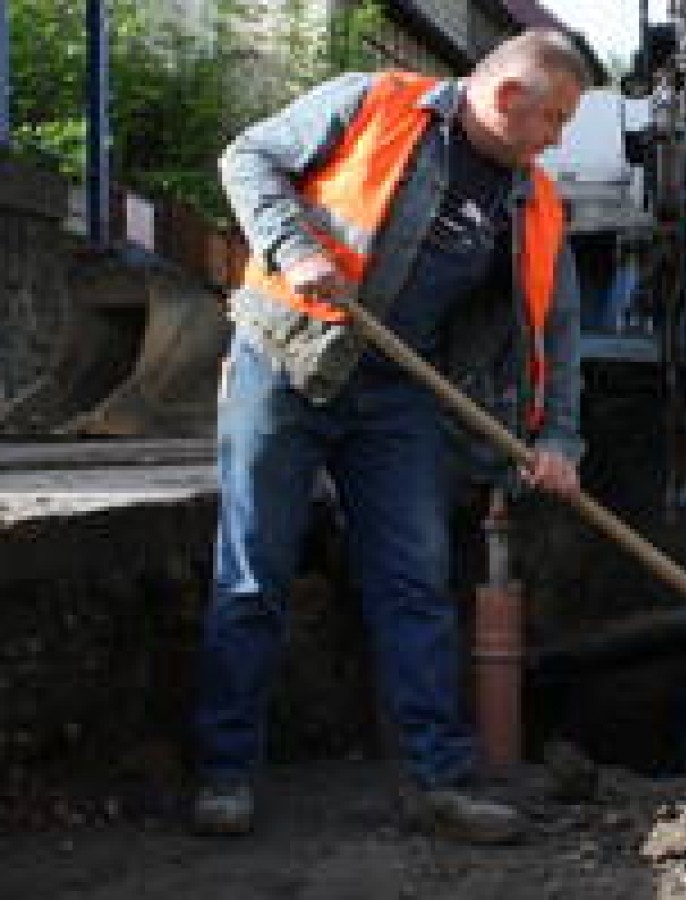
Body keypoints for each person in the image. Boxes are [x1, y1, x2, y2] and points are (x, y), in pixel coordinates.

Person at [192, 29, 592, 844]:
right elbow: (246, 156)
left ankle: (436, 782)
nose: (556, 140)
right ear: (507, 97)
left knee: (415, 585)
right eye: (553, 119)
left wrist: (559, 438)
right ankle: (225, 774)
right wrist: (294, 248)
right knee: (254, 571)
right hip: (288, 363)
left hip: (402, 395)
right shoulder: (373, 102)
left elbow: (559, 330)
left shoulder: (534, 203)